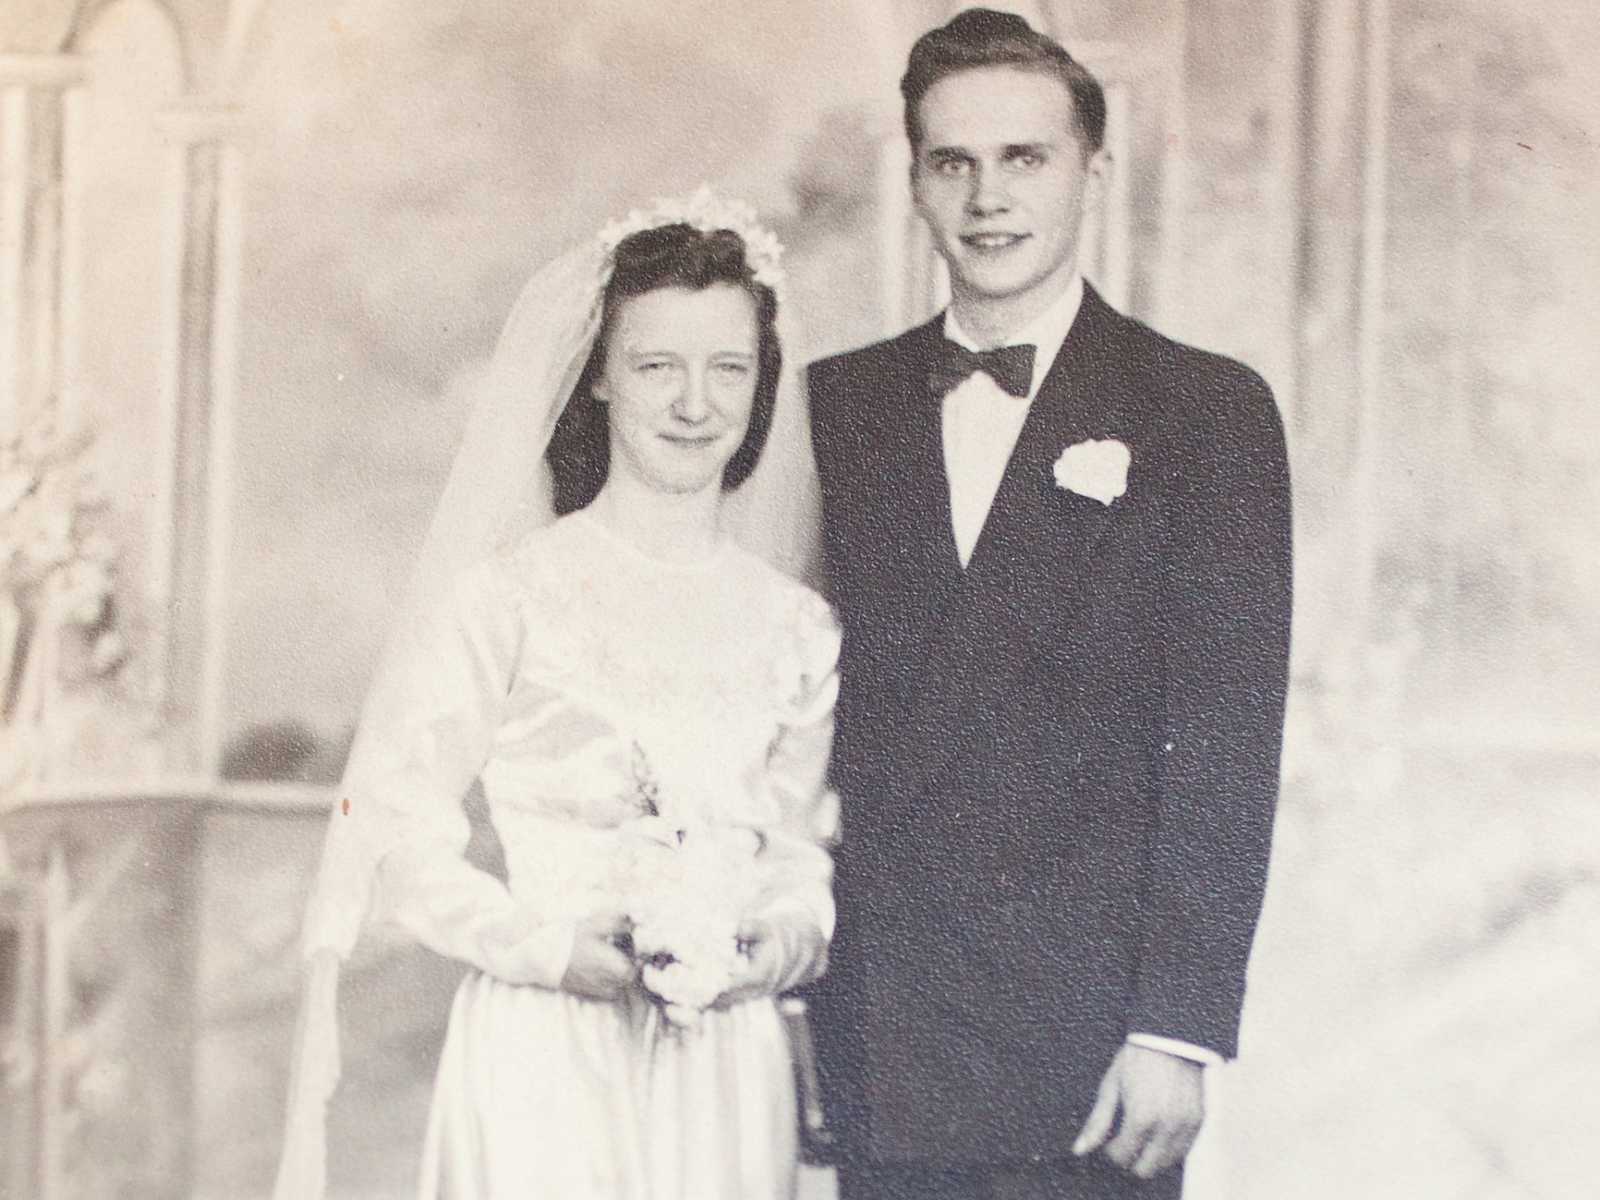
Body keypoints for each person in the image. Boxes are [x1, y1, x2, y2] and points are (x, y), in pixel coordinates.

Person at [805, 9, 1293, 1199]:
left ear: (1092, 172)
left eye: (1024, 157)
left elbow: (1225, 747)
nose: (987, 196)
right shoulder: (833, 409)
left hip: (1087, 1049)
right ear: (913, 182)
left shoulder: (1204, 413)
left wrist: (1178, 1028)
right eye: (951, 162)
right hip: (882, 1023)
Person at [272, 194, 840, 1200]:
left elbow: (797, 850)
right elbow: (397, 833)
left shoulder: (794, 626)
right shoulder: (509, 595)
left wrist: (772, 943)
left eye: (728, 370)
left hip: (723, 1059)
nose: (693, 404)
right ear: (599, 385)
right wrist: (542, 949)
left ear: (761, 389)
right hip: (542, 1054)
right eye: (656, 366)